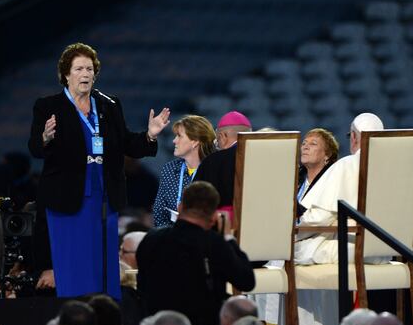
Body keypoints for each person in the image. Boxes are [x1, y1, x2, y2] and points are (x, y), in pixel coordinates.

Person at [28, 43, 170, 298]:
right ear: (66, 74)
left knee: (100, 273)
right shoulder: (48, 106)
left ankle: (103, 312)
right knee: (71, 268)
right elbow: (35, 149)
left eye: (90, 69)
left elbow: (128, 144)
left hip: (103, 198)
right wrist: (46, 137)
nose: (85, 74)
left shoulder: (109, 105)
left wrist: (150, 134)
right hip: (66, 199)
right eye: (79, 68)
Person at [136, 181, 255, 325]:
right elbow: (246, 281)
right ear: (213, 217)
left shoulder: (151, 239)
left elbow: (142, 285)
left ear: (180, 207)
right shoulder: (215, 244)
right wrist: (228, 238)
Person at [295, 112, 384, 265]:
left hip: (350, 248)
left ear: (355, 137)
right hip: (385, 251)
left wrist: (293, 233)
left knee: (290, 251)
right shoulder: (393, 166)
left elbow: (319, 218)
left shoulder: (347, 165)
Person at [153, 115, 216, 228]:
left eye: (179, 136)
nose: (174, 141)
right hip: (171, 236)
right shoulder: (170, 169)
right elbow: (159, 211)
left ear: (195, 142)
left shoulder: (214, 169)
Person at [194, 110, 252, 211]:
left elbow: (196, 199)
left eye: (217, 139)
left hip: (223, 223)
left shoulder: (212, 162)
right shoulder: (264, 156)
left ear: (222, 136)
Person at [296, 128, 339, 216]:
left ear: (327, 155)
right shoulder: (294, 179)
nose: (305, 147)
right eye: (304, 143)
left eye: (313, 144)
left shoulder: (332, 182)